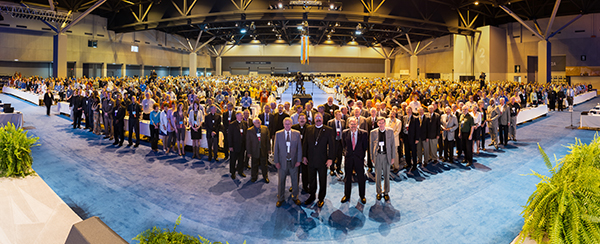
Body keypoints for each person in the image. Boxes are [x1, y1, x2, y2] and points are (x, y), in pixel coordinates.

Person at [302, 113, 335, 208]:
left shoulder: (328, 130)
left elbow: (332, 146)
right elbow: (305, 144)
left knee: (322, 180)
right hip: (310, 159)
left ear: (322, 118)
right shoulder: (309, 129)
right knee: (311, 179)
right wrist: (304, 156)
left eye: (320, 117)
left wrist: (330, 158)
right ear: (314, 119)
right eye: (316, 117)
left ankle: (321, 198)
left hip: (323, 160)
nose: (318, 119)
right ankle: (312, 196)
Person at [274, 118, 303, 207]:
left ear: (291, 124)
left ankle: (295, 197)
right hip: (282, 162)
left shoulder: (297, 133)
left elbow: (299, 148)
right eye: (285, 124)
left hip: (294, 162)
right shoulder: (278, 134)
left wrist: (299, 160)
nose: (287, 125)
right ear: (283, 125)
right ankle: (281, 198)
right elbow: (276, 149)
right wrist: (276, 161)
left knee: (295, 181)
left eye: (289, 124)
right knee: (281, 181)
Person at [340, 117, 369, 204]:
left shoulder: (364, 133)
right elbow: (343, 145)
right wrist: (347, 153)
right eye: (351, 124)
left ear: (357, 124)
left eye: (354, 124)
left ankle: (362, 196)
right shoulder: (344, 133)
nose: (353, 126)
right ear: (349, 125)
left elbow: (365, 146)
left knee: (361, 177)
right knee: (347, 177)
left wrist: (361, 156)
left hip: (359, 159)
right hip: (348, 158)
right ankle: (347, 195)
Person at [370, 117, 396, 201]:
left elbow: (392, 145)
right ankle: (379, 192)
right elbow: (370, 146)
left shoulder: (390, 131)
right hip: (377, 156)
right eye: (379, 123)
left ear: (385, 123)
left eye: (382, 123)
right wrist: (372, 157)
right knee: (377, 176)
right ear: (377, 124)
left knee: (386, 175)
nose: (381, 124)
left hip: (386, 156)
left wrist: (393, 157)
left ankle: (386, 192)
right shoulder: (373, 132)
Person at [246, 117, 271, 183]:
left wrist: (269, 149)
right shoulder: (249, 130)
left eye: (260, 122)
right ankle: (254, 177)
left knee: (264, 164)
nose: (259, 123)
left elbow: (268, 140)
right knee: (254, 164)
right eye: (257, 122)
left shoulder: (265, 128)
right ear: (254, 123)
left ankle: (265, 176)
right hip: (254, 151)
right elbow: (248, 142)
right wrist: (248, 152)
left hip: (263, 150)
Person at [291, 113, 310, 193]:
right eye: (300, 118)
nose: (302, 120)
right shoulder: (293, 128)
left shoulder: (309, 128)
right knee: (295, 171)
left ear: (306, 120)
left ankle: (305, 186)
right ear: (298, 120)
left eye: (303, 118)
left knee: (306, 171)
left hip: (306, 153)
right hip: (295, 153)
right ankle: (294, 185)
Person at [327, 110, 345, 176]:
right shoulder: (330, 122)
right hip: (333, 142)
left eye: (340, 114)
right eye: (338, 114)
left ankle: (338, 168)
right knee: (332, 156)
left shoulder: (343, 122)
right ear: (335, 115)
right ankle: (332, 169)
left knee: (339, 156)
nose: (339, 116)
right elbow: (328, 133)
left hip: (340, 141)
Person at [402, 107, 419, 171]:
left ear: (411, 111)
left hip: (413, 138)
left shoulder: (415, 118)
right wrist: (402, 137)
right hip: (406, 137)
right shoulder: (404, 118)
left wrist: (417, 138)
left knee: (414, 152)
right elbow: (402, 128)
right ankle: (408, 164)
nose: (408, 111)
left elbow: (417, 129)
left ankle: (414, 165)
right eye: (407, 110)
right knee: (406, 151)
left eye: (409, 110)